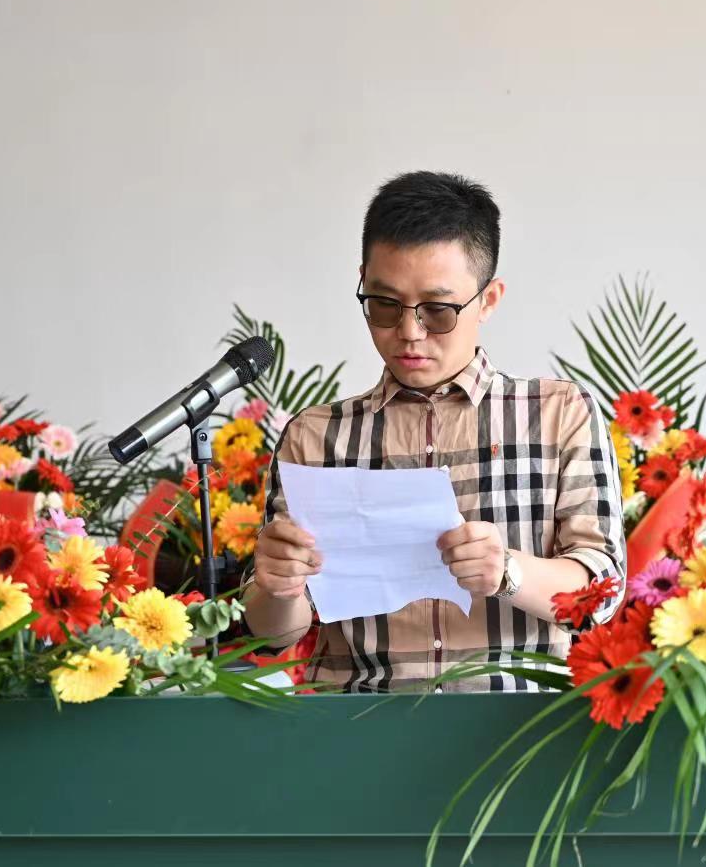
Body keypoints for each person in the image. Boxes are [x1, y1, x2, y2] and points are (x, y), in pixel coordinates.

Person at [241, 171, 625, 692]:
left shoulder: (558, 415)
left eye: (438, 311)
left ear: (489, 299)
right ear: (363, 282)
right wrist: (278, 587)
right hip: (355, 726)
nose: (409, 332)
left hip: (514, 727)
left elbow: (602, 594)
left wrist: (506, 571)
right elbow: (272, 635)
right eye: (384, 305)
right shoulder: (315, 437)